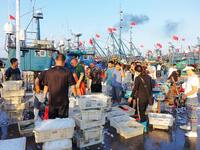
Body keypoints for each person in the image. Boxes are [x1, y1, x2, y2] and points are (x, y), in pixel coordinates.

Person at [43, 53, 77, 119]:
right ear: (64, 61)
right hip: (63, 102)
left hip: (52, 102)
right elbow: (73, 86)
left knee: (52, 122)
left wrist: (44, 97)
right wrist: (76, 96)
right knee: (63, 123)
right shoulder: (68, 72)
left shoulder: (48, 72)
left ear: (55, 61)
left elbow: (46, 85)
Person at [180, 66, 199, 137]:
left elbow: (194, 89)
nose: (186, 72)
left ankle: (194, 132)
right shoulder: (190, 77)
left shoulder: (194, 78)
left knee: (193, 115)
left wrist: (185, 95)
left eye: (187, 71)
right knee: (188, 113)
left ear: (190, 70)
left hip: (192, 98)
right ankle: (188, 125)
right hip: (189, 98)